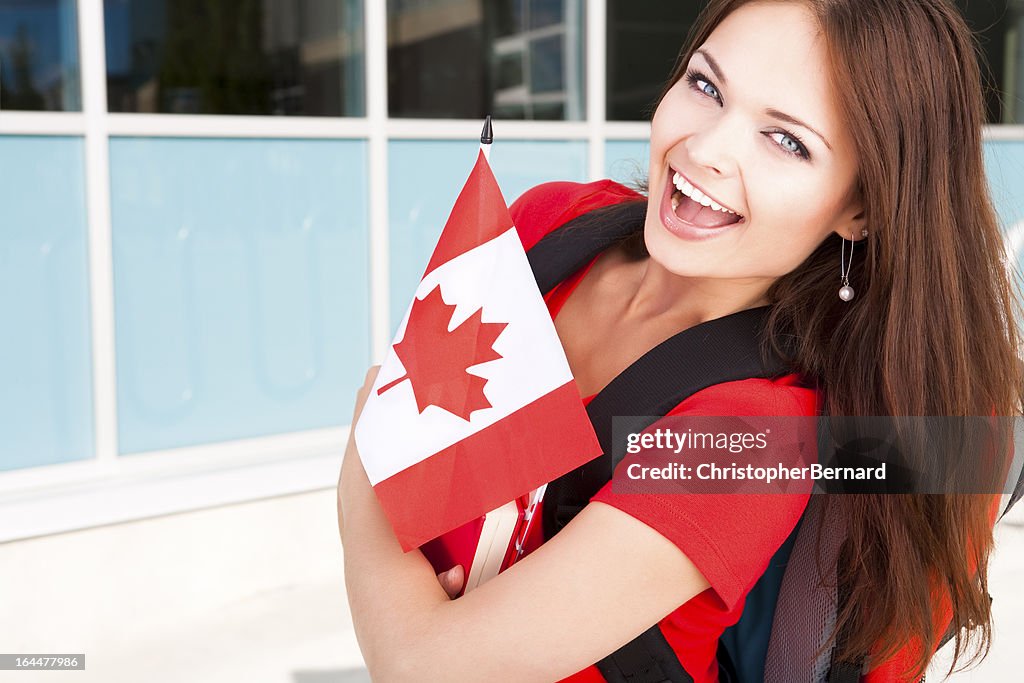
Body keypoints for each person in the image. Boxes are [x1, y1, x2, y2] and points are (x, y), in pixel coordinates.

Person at [337, 0, 1024, 681]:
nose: (705, 148)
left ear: (860, 207)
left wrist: (364, 456)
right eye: (706, 85)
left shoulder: (754, 436)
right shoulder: (549, 223)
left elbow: (418, 664)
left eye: (786, 140)